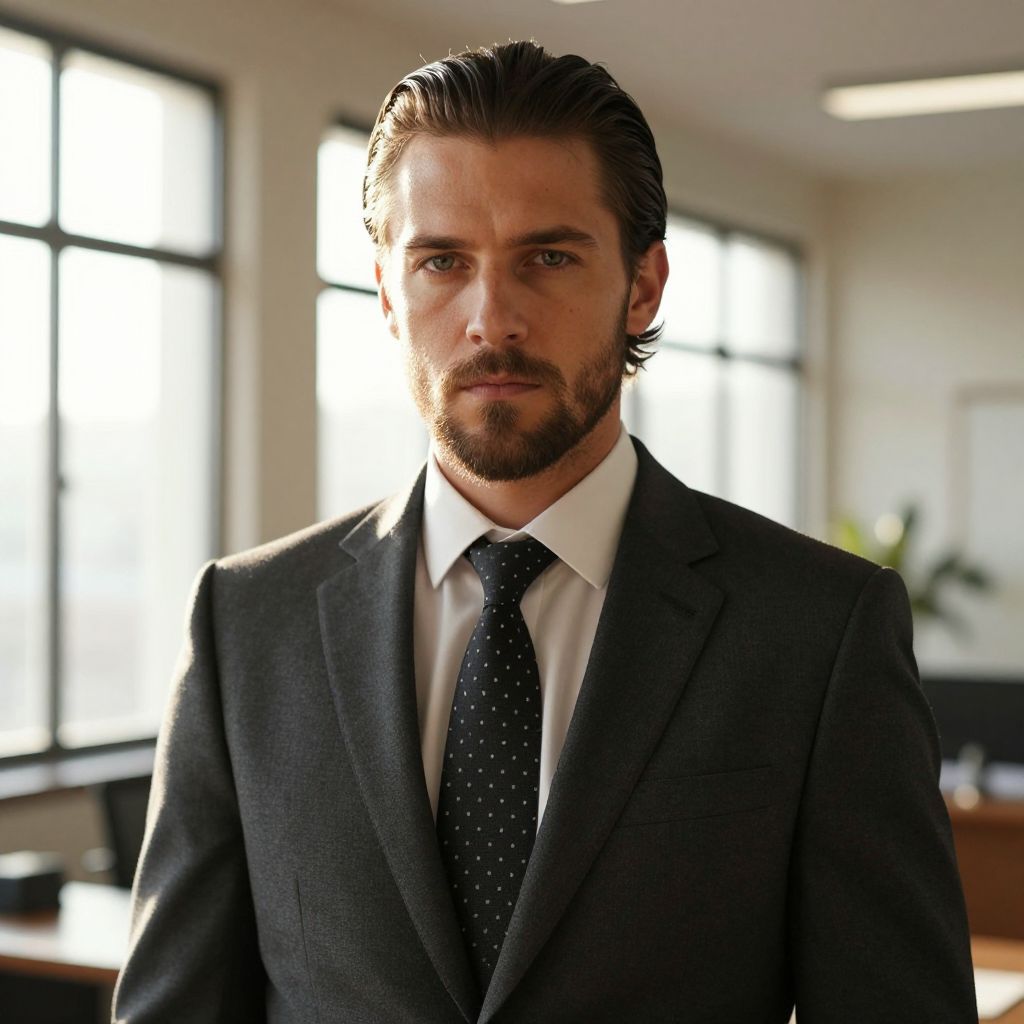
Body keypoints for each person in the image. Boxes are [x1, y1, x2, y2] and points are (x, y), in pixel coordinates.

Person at [113, 41, 977, 1024]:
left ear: (642, 287)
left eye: (549, 257)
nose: (493, 319)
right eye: (441, 261)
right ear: (389, 296)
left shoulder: (817, 631)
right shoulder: (246, 623)